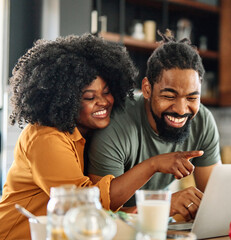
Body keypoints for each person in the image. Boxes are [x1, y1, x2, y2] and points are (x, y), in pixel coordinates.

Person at [0, 34, 138, 239]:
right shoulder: (45, 138)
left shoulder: (87, 133)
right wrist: (152, 166)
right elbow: (84, 204)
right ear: (65, 99)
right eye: (89, 97)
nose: (103, 102)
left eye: (107, 92)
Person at [88, 32, 222, 221]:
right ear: (147, 89)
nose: (181, 109)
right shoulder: (116, 122)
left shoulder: (203, 122)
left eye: (192, 98)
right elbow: (99, 211)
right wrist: (162, 202)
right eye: (169, 96)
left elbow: (216, 199)